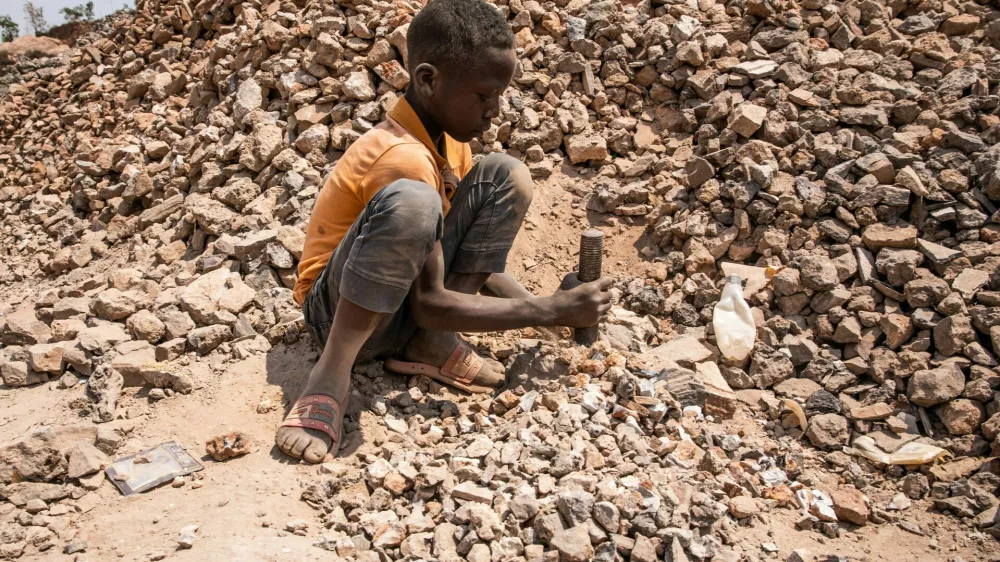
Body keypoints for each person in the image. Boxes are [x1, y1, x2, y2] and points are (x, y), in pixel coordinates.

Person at [275, 0, 612, 463]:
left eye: (500, 95)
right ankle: (331, 375)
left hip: (402, 306)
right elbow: (430, 303)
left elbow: (465, 259)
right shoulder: (400, 157)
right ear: (428, 80)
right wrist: (551, 311)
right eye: (484, 96)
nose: (495, 111)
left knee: (505, 174)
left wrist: (554, 313)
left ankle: (431, 344)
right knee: (415, 202)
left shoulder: (450, 142)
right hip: (338, 317)